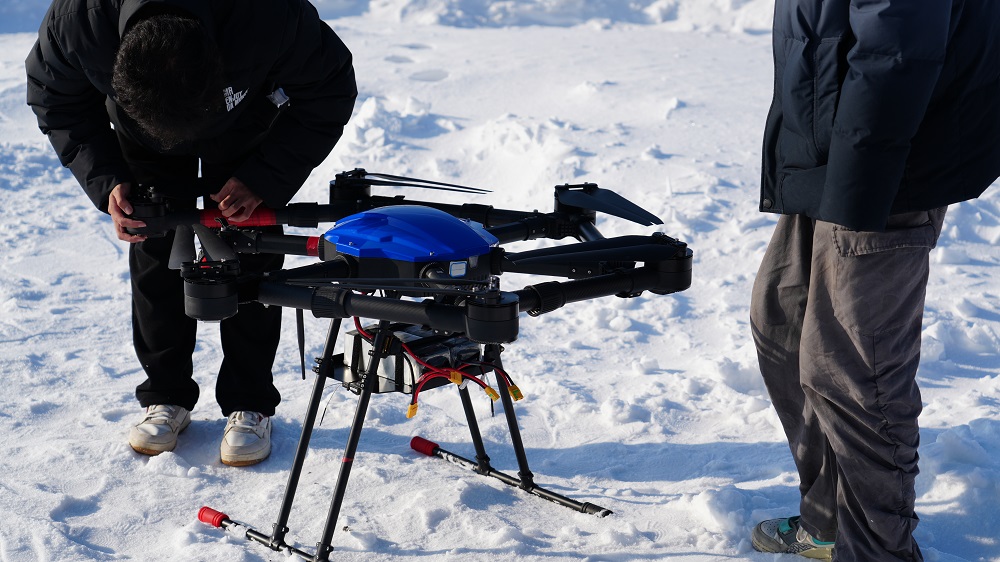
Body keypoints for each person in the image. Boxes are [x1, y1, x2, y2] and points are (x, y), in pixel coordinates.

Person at [25, 0, 358, 466]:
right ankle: (166, 395)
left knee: (251, 251)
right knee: (155, 242)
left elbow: (330, 88)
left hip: (246, 122)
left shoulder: (269, 16)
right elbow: (55, 98)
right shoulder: (80, 22)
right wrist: (107, 179)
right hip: (139, 132)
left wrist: (263, 178)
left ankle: (250, 401)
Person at [748, 1, 1000, 560]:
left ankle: (877, 551)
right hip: (831, 146)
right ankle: (831, 523)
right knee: (783, 324)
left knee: (856, 373)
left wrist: (857, 191)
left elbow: (898, 48)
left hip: (884, 168)